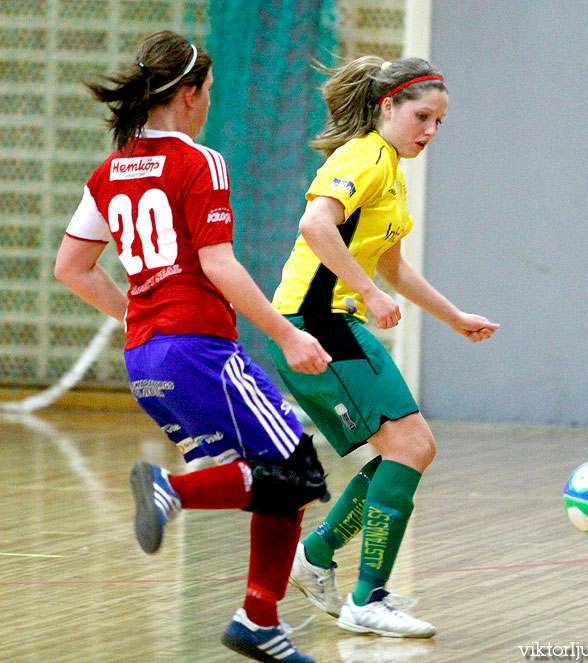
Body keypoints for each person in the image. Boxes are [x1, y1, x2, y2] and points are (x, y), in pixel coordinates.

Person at [54, 30, 333, 663]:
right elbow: (219, 265)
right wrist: (288, 335)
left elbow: (71, 267)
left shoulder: (112, 169)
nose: (209, 103)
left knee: (283, 478)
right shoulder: (198, 161)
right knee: (298, 469)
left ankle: (259, 620)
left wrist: (140, 314)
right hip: (196, 348)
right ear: (188, 94)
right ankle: (172, 491)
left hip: (144, 356)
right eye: (208, 92)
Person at [268, 55, 500, 638]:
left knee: (406, 449)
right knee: (412, 445)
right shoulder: (362, 157)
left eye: (440, 122)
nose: (430, 131)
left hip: (333, 322)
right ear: (387, 106)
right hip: (315, 321)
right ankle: (365, 599)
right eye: (421, 116)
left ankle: (317, 558)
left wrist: (452, 317)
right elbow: (315, 227)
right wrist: (367, 293)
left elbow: (391, 263)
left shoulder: (391, 169)